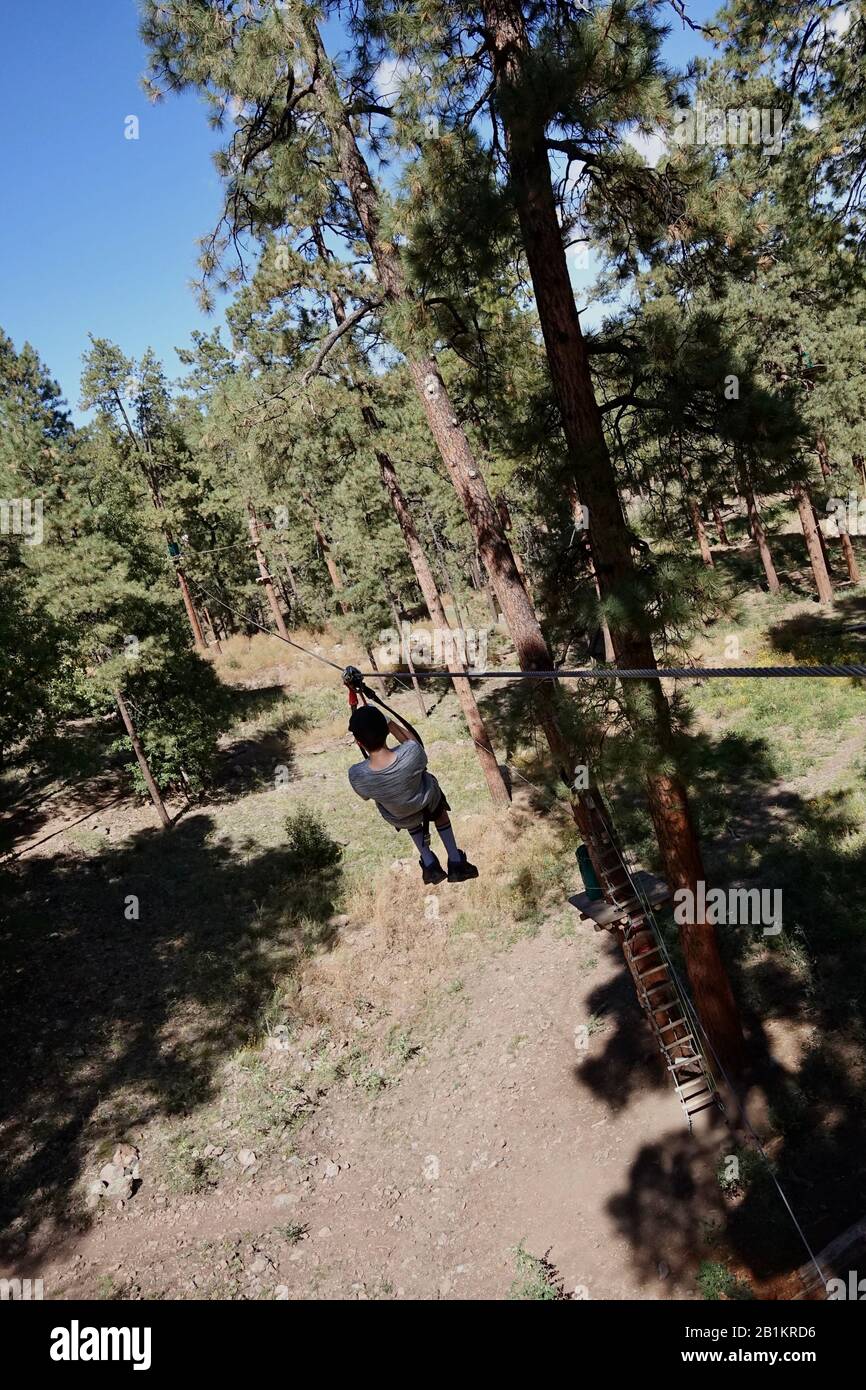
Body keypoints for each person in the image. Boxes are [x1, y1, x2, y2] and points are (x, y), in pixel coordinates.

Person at [347, 704, 478, 885]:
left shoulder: (357, 775)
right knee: (435, 801)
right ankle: (455, 860)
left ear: (359, 743)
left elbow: (364, 796)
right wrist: (391, 724)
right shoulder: (410, 752)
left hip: (399, 816)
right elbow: (414, 743)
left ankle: (429, 862)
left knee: (400, 804)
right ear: (386, 731)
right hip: (428, 804)